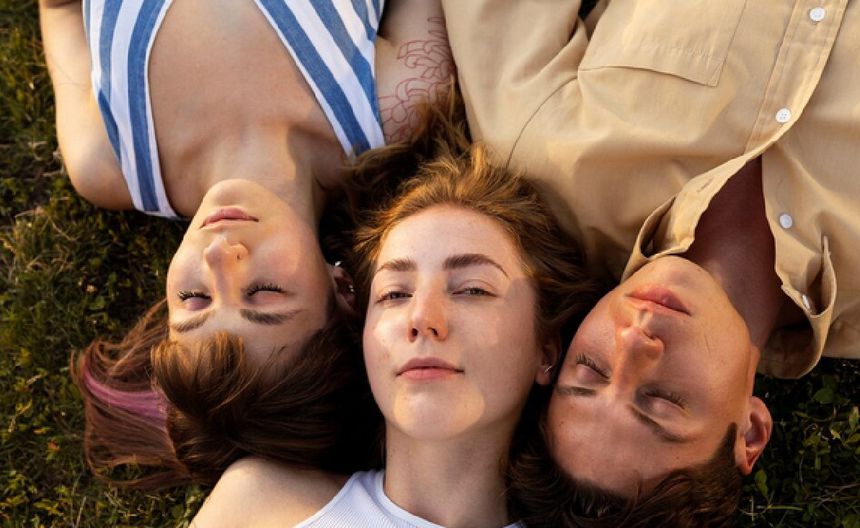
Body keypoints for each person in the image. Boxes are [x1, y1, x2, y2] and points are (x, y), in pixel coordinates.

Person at [440, 0, 860, 523]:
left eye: (590, 370)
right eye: (663, 401)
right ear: (750, 431)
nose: (635, 341)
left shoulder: (545, 156)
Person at [38, 0, 451, 487]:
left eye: (194, 299)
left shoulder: (107, 161)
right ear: (344, 290)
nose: (219, 257)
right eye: (264, 293)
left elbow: (61, 10)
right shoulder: (399, 104)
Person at [189, 96, 598, 527]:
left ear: (546, 351)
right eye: (394, 294)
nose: (422, 318)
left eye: (472, 289)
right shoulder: (259, 504)